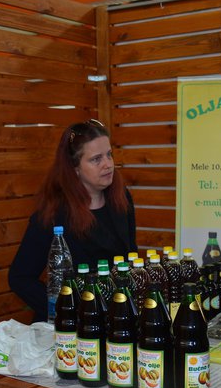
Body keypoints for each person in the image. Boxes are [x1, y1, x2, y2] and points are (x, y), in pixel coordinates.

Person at [8, 119, 137, 322]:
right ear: (75, 167)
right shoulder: (53, 213)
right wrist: (64, 309)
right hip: (70, 329)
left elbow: (130, 258)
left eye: (109, 155)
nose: (108, 164)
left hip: (114, 319)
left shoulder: (121, 197)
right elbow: (20, 278)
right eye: (96, 159)